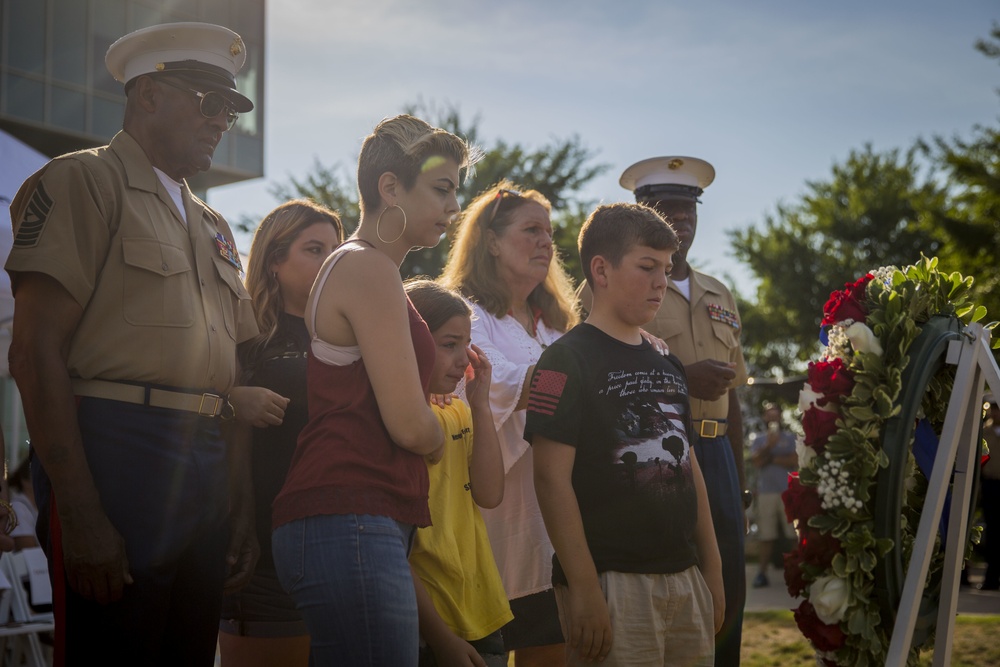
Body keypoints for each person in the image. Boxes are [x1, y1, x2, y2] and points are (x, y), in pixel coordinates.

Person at [4, 22, 257, 666]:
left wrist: (237, 501)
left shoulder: (213, 223)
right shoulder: (82, 182)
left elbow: (229, 381)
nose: (222, 119)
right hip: (115, 447)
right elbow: (35, 353)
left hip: (201, 459)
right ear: (147, 94)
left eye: (230, 107)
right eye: (208, 100)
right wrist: (82, 511)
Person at [270, 115, 474, 666]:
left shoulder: (367, 269)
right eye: (441, 188)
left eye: (457, 190)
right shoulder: (368, 267)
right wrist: (440, 434)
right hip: (347, 514)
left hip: (351, 519)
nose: (454, 207)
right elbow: (409, 425)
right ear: (389, 188)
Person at [528, 203, 724, 665]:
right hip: (611, 582)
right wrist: (584, 587)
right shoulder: (561, 362)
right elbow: (549, 481)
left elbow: (688, 470)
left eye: (668, 268)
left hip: (684, 576)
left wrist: (712, 570)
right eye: (647, 266)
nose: (663, 281)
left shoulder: (669, 365)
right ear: (601, 269)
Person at [439, 181, 580, 666]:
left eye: (550, 232)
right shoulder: (469, 316)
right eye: (531, 230)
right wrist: (595, 365)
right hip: (497, 521)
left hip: (555, 523)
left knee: (551, 651)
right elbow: (500, 382)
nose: (546, 242)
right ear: (491, 241)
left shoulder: (557, 325)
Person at [615, 156, 748, 665]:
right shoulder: (618, 287)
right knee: (668, 586)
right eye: (670, 209)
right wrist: (682, 378)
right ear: (642, 213)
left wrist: (737, 473)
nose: (683, 220)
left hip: (716, 454)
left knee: (728, 587)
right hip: (653, 455)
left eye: (690, 209)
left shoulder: (721, 293)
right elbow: (607, 371)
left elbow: (733, 395)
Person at [218, 200, 343, 666]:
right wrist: (233, 398)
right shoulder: (244, 336)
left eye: (336, 250)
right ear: (274, 259)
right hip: (263, 547)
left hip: (340, 543)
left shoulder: (352, 337)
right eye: (314, 249)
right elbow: (188, 404)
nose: (329, 261)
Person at [404, 279, 512, 667]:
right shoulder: (400, 423)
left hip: (480, 606)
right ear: (411, 340)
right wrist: (440, 638)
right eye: (449, 344)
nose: (464, 359)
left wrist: (480, 405)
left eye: (465, 345)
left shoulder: (458, 409)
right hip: (425, 620)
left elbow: (489, 493)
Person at [749, 403, 798, 588]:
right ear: (765, 418)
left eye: (775, 416)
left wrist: (769, 458)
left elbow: (794, 460)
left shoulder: (790, 437)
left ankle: (797, 572)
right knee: (766, 535)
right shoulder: (759, 439)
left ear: (780, 418)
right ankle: (761, 574)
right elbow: (755, 461)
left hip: (787, 492)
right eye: (769, 416)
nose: (772, 419)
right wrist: (768, 447)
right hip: (766, 493)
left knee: (793, 534)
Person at [980, 397, 1000, 590]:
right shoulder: (985, 433)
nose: (996, 413)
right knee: (992, 532)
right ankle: (991, 578)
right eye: (993, 409)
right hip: (990, 486)